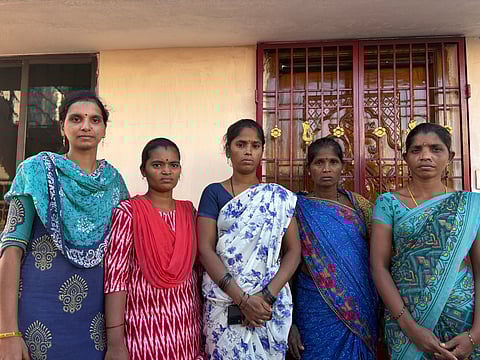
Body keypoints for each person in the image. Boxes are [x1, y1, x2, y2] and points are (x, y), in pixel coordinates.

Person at [0, 91, 129, 360]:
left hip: (95, 325)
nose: (85, 126)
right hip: (37, 315)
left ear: (104, 129)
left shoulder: (114, 183)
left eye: (95, 120)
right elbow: (10, 252)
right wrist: (7, 332)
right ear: (63, 127)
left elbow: (121, 261)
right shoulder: (34, 172)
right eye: (76, 118)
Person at [370, 122, 480, 360]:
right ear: (405, 157)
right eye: (417, 150)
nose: (426, 156)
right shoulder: (388, 203)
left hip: (463, 322)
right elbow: (379, 267)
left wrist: (475, 335)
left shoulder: (470, 205)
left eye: (435, 149)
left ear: (449, 156)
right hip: (407, 323)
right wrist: (411, 329)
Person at [197, 119, 301, 360]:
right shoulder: (213, 193)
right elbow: (205, 249)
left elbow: (294, 251)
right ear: (228, 150)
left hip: (268, 307)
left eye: (255, 145)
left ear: (262, 150)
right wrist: (242, 300)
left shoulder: (278, 198)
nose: (248, 151)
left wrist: (266, 297)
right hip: (225, 303)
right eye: (240, 144)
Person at [104, 138, 203, 360]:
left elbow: (198, 273)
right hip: (143, 333)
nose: (166, 171)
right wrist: (116, 343)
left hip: (187, 330)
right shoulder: (129, 212)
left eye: (173, 165)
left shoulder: (190, 213)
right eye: (157, 165)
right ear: (144, 170)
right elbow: (116, 279)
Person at [287, 137, 378, 360]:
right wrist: (288, 320)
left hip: (360, 306)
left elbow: (380, 257)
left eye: (333, 162)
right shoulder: (297, 208)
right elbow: (287, 262)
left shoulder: (361, 206)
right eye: (319, 163)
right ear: (309, 169)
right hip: (313, 308)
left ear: (342, 167)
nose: (326, 169)